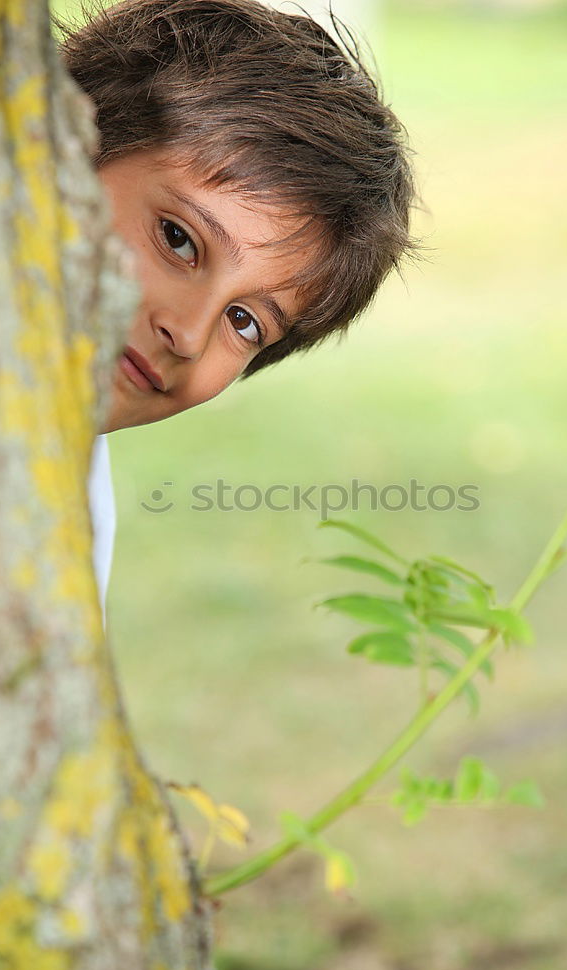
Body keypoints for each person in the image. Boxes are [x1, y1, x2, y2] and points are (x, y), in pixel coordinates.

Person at [53, 0, 418, 622]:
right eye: (178, 239)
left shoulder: (70, 515)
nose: (189, 334)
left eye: (245, 322)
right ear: (54, 154)